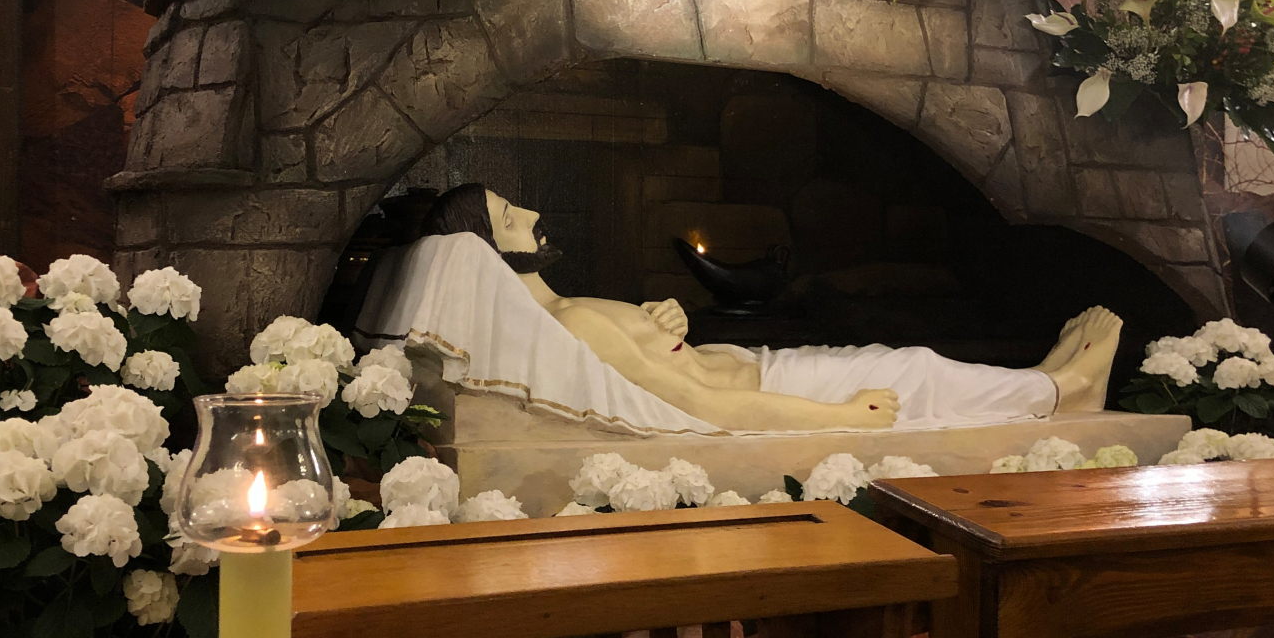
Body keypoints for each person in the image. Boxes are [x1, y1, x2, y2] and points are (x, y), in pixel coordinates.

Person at [417, 184, 1121, 433]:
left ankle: (1042, 385)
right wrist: (843, 418)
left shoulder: (572, 311)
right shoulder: (569, 324)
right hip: (764, 388)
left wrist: (667, 321)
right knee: (916, 371)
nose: (532, 216)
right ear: (489, 252)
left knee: (906, 363)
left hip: (752, 364)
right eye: (510, 217)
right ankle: (1064, 393)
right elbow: (704, 407)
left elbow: (659, 357)